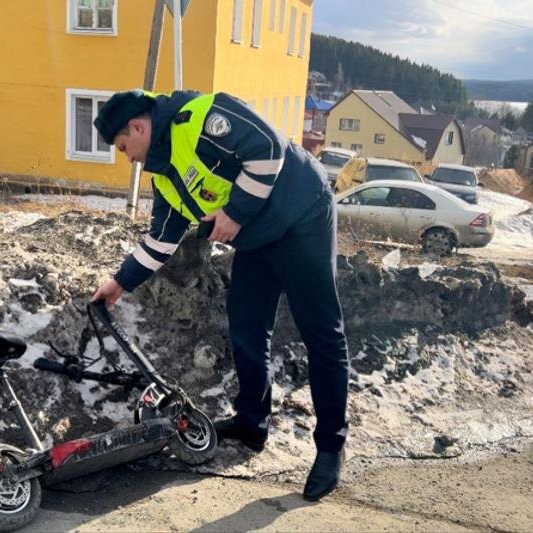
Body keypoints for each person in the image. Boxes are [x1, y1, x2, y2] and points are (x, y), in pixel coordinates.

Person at [90, 89, 349, 501]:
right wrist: (119, 282)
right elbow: (162, 238)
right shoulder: (165, 174)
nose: (128, 158)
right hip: (257, 236)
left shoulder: (201, 117)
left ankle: (331, 447)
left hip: (301, 216)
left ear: (137, 127)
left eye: (124, 147)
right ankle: (252, 423)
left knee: (321, 333)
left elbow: (268, 149)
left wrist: (234, 212)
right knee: (247, 327)